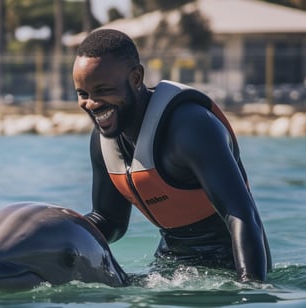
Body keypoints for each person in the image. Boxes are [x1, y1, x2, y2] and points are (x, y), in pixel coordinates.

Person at [71, 29, 271, 282]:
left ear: (135, 78)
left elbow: (241, 213)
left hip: (232, 266)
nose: (91, 103)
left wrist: (250, 289)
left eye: (103, 90)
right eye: (83, 94)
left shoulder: (190, 127)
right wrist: (52, 230)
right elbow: (109, 220)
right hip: (171, 267)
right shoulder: (103, 140)